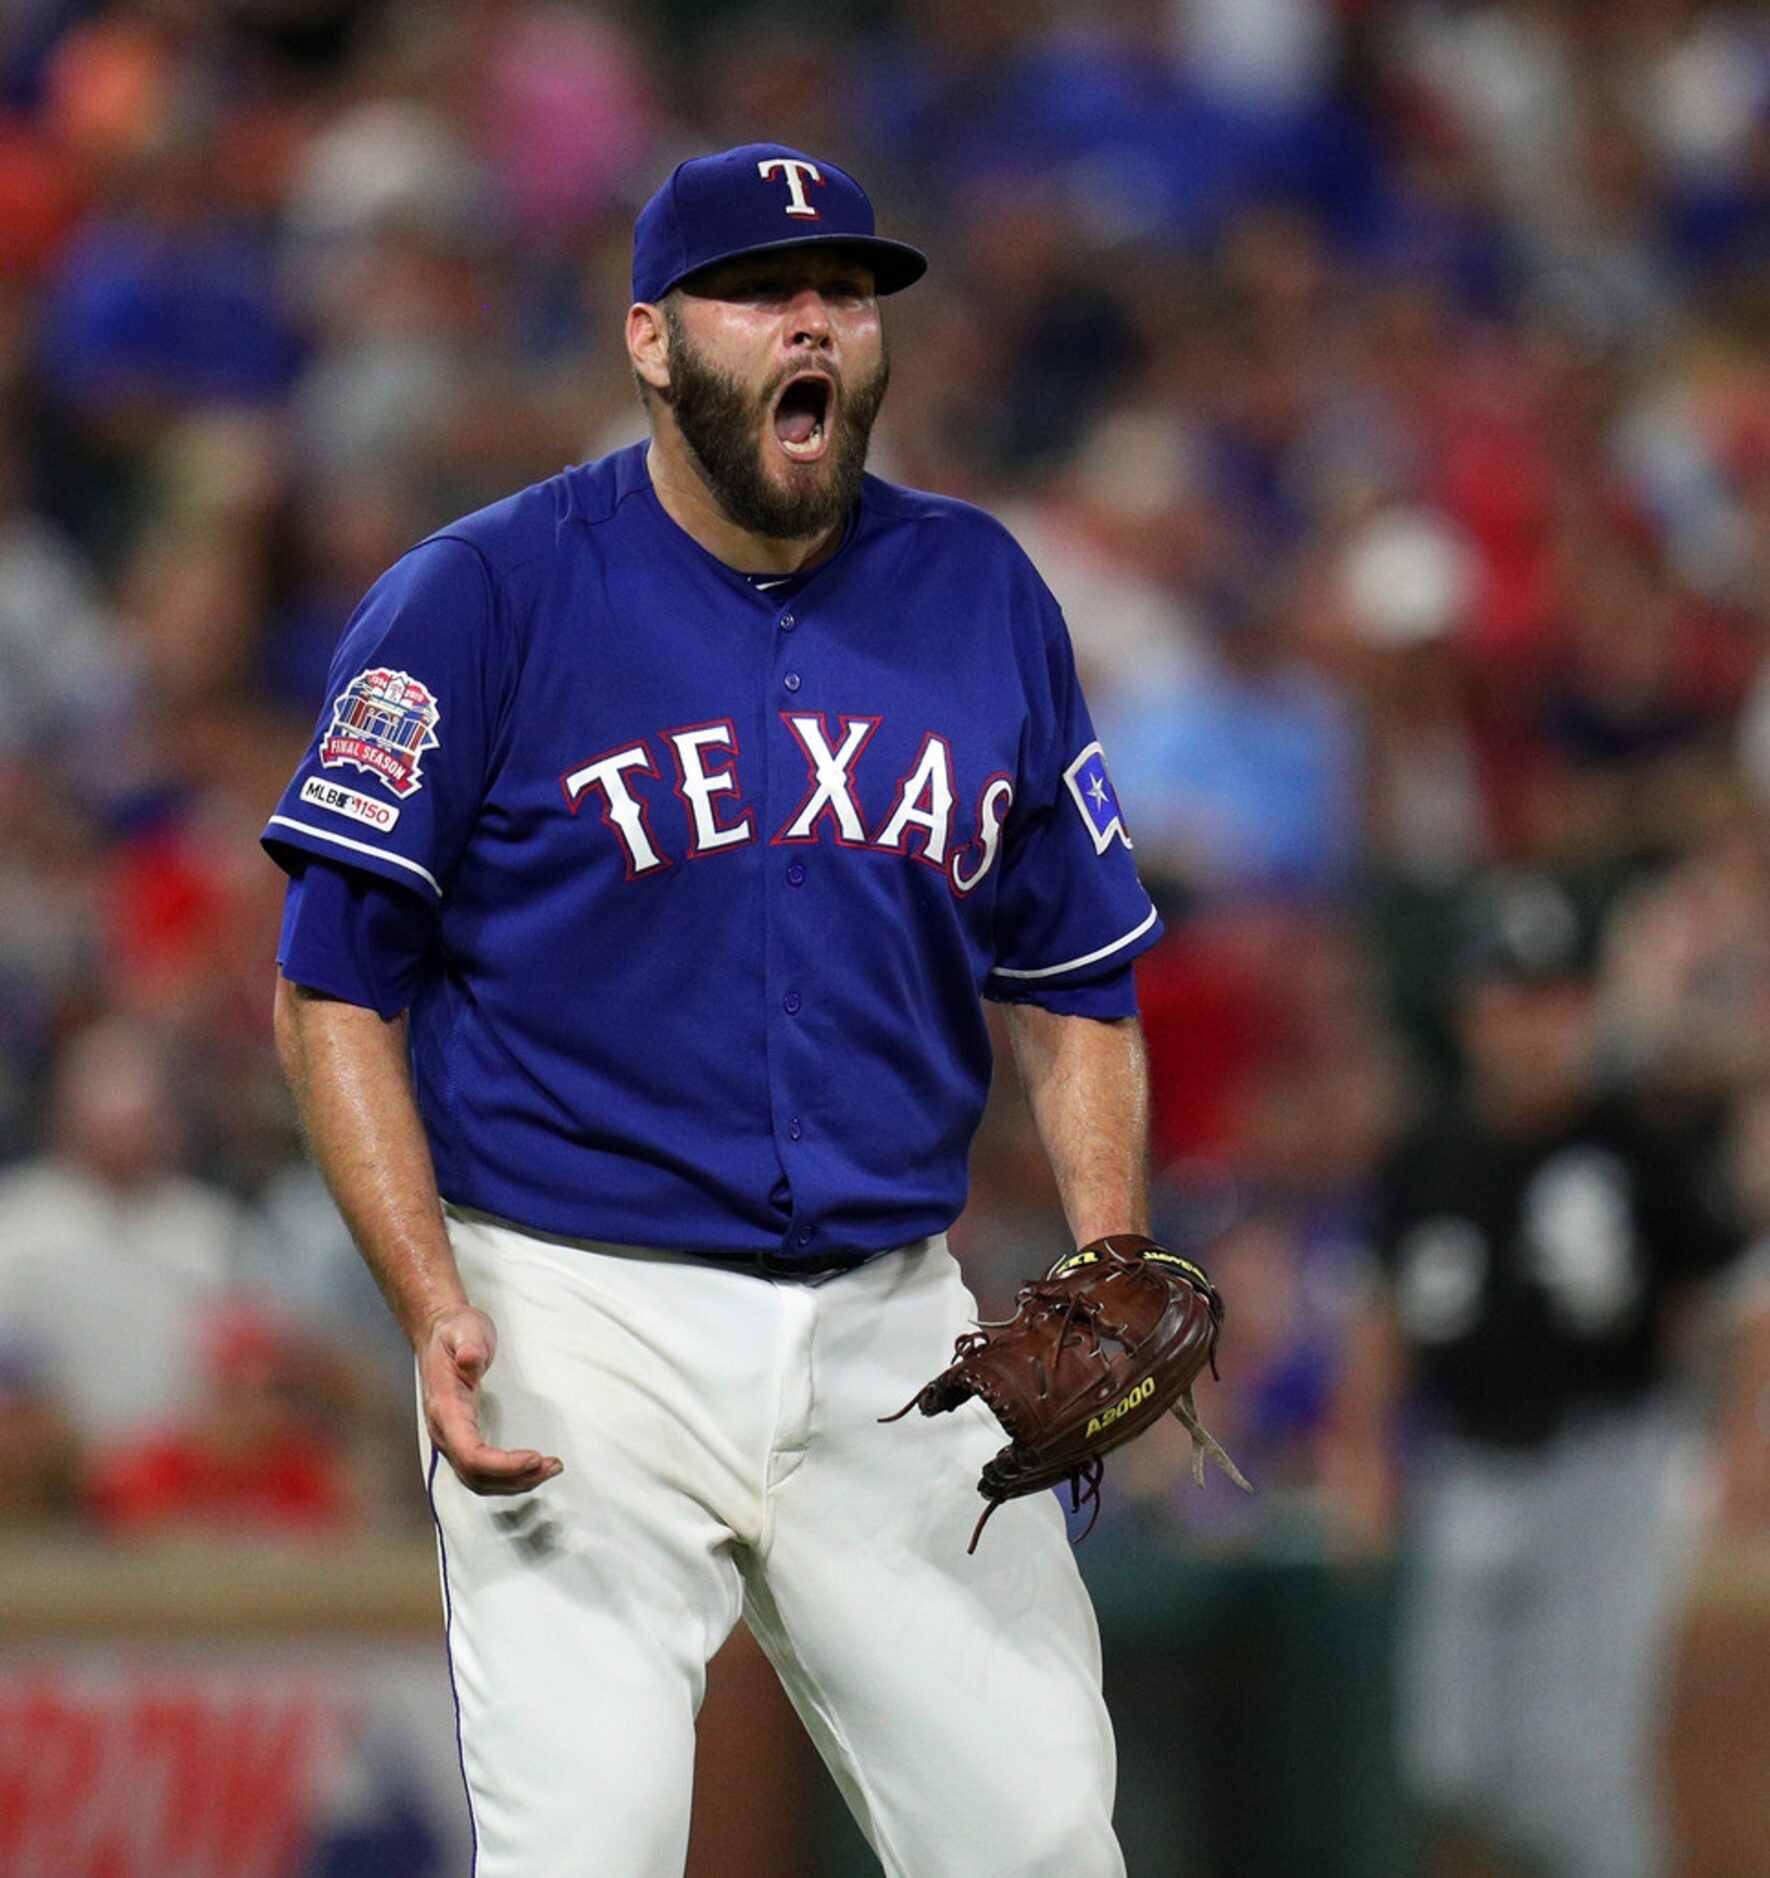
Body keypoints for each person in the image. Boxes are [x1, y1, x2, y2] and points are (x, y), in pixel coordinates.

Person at [265, 144, 1175, 1877]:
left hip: (895, 1321)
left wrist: (1108, 1241)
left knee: (1043, 1832)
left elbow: (1072, 975)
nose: (812, 319)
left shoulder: (982, 590)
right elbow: (330, 985)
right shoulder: (480, 593)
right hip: (571, 1306)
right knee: (587, 1847)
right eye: (760, 290)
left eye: (843, 288)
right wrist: (431, 1294)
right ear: (651, 342)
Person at [1325, 871, 1768, 1878]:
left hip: (1604, 1461)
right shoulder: (1429, 1152)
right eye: (1508, 997)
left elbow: (1740, 1296)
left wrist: (1737, 1439)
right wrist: (1359, 1451)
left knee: (1584, 1775)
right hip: (1469, 1470)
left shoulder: (1633, 1141)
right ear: (1468, 1012)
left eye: (1553, 998)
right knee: (1453, 1764)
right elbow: (1380, 1309)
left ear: (1583, 1007)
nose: (1531, 1025)